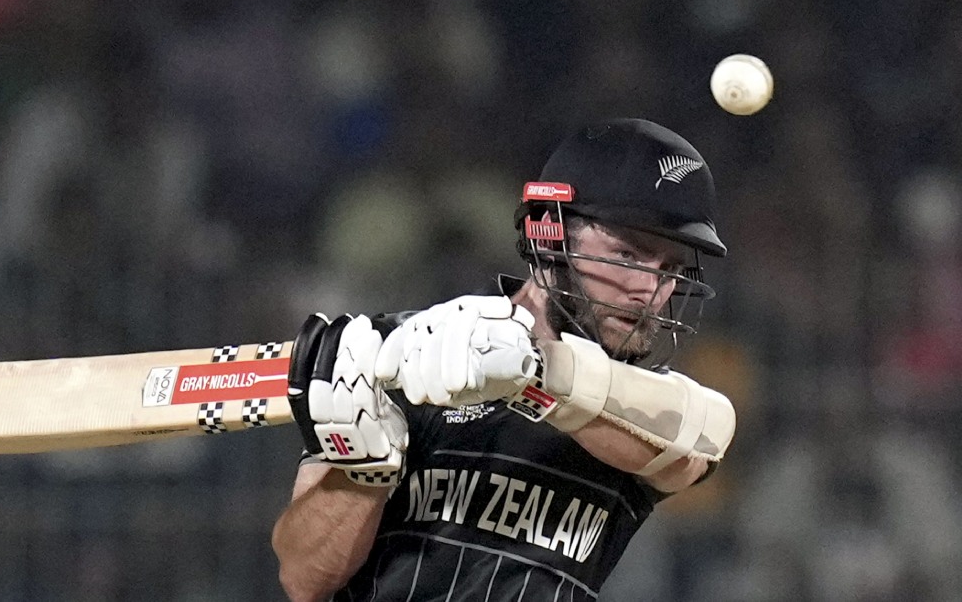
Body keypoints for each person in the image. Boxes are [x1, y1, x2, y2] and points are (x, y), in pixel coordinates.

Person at [272, 118, 737, 601]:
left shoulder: (634, 402)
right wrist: (363, 471)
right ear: (551, 235)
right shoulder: (403, 350)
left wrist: (530, 374)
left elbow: (705, 436)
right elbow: (303, 579)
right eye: (628, 256)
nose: (651, 290)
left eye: (670, 270)